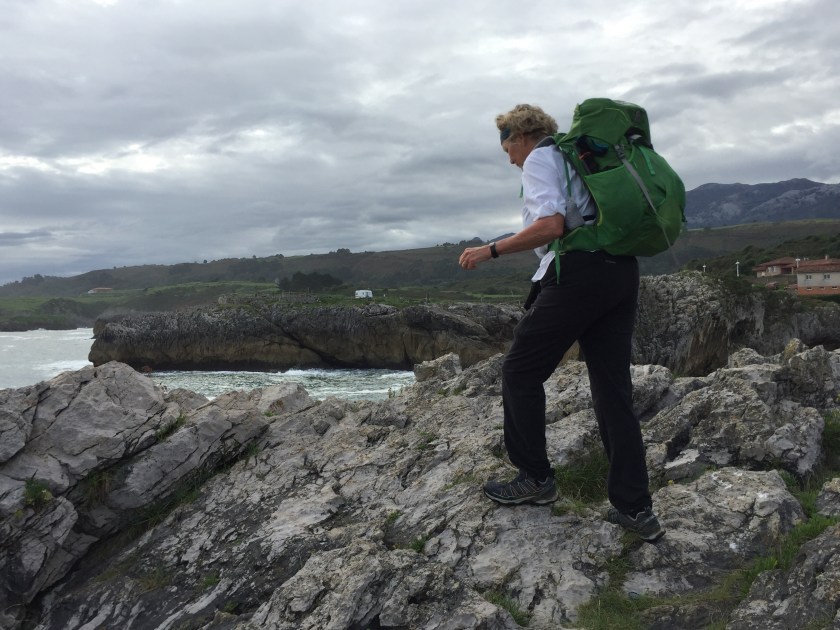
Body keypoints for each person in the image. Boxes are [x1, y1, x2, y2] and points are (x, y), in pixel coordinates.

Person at [458, 104, 664, 542]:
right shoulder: (578, 160)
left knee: (519, 370)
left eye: (507, 149)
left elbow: (551, 226)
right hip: (620, 272)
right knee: (613, 390)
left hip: (578, 273)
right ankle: (635, 508)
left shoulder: (540, 159)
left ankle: (534, 478)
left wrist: (489, 250)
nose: (509, 159)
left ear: (519, 137)